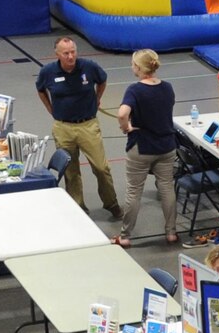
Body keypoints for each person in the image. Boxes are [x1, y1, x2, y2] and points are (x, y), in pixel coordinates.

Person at [35, 35, 120, 221]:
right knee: (71, 171)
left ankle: (112, 204)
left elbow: (102, 80)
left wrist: (97, 98)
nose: (70, 56)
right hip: (63, 128)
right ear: (57, 54)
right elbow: (40, 89)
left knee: (101, 167)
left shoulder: (89, 67)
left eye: (73, 52)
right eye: (66, 53)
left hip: (88, 125)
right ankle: (79, 207)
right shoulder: (48, 72)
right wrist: (50, 108)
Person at [114, 48, 178, 247]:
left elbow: (122, 113)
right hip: (166, 146)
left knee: (134, 191)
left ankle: (125, 236)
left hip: (142, 147)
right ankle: (171, 233)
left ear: (138, 67)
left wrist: (127, 128)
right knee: (167, 188)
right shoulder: (167, 87)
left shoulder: (135, 90)